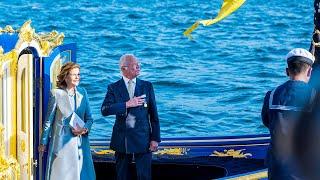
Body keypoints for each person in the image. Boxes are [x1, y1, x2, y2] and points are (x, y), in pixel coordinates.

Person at [101, 54, 161, 180]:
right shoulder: (113, 87)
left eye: (138, 64)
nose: (138, 66)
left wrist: (155, 138)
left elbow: (154, 115)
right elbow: (105, 110)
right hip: (122, 139)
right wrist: (127, 104)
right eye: (134, 65)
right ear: (124, 69)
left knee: (144, 176)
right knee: (122, 176)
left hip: (143, 139)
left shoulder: (147, 86)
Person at [261, 48, 315, 179]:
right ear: (310, 71)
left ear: (287, 71)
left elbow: (267, 121)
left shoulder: (271, 95)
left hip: (277, 169)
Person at [39, 62, 96, 180]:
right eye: (74, 74)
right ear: (65, 77)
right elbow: (48, 121)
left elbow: (90, 119)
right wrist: (43, 142)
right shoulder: (56, 94)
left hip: (80, 142)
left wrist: (84, 129)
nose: (77, 77)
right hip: (61, 143)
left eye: (78, 74)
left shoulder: (83, 92)